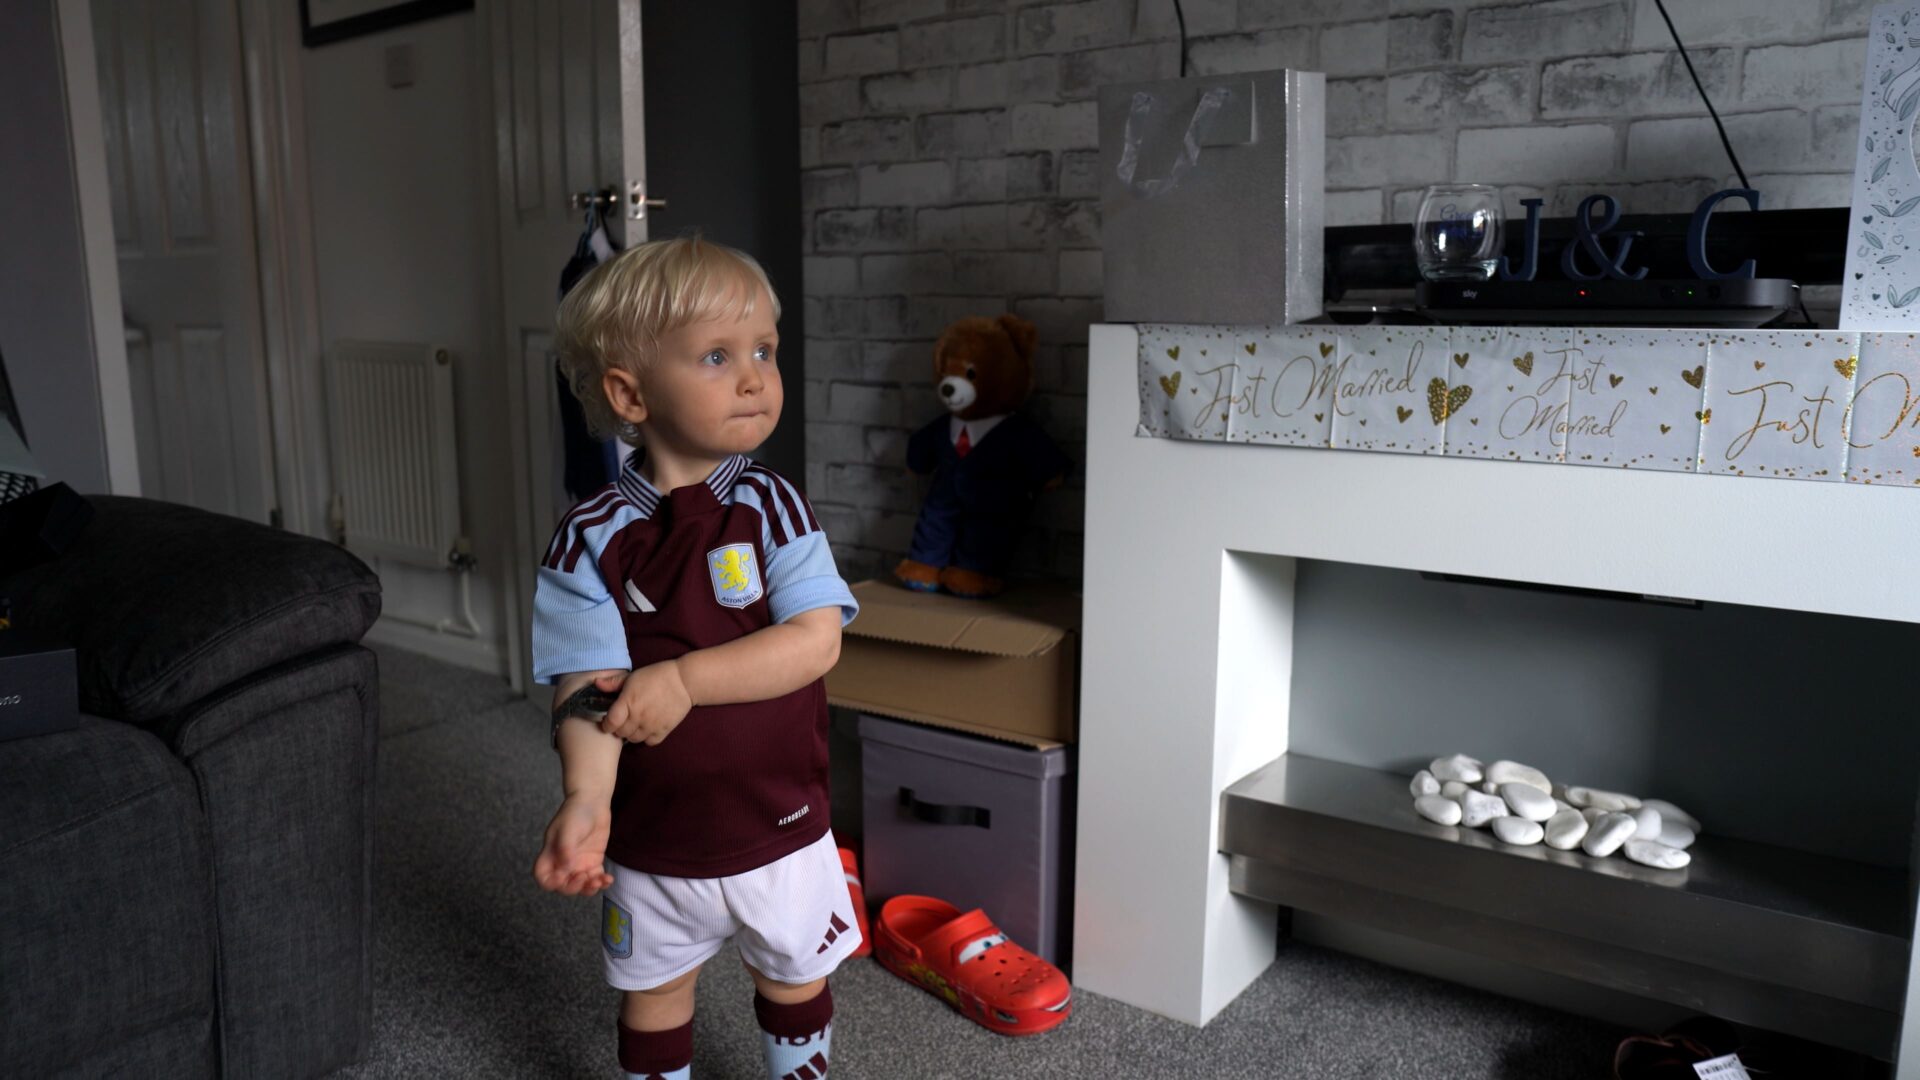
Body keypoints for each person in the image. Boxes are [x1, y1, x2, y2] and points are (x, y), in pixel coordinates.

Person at [531, 235, 860, 1080]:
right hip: (653, 837)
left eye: (763, 351)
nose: (754, 375)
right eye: (718, 355)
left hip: (780, 824)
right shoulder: (591, 537)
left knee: (794, 979)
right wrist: (585, 797)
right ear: (630, 394)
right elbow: (587, 688)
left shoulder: (769, 505)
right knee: (654, 992)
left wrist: (683, 680)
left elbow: (816, 640)